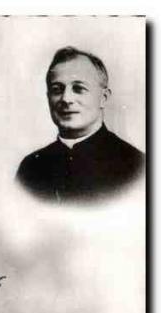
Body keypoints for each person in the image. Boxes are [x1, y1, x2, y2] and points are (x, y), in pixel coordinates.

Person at [16, 47, 144, 203]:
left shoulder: (136, 166)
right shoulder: (30, 168)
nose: (66, 99)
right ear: (48, 97)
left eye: (78, 89)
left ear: (103, 98)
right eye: (57, 89)